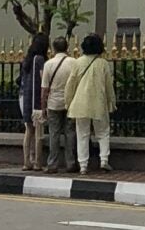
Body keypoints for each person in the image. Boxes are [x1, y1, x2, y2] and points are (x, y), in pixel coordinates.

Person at [66, 31, 115, 175]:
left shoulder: (78, 62)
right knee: (103, 132)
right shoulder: (103, 64)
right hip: (99, 102)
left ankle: (83, 165)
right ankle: (104, 160)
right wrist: (111, 101)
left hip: (80, 103)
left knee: (82, 134)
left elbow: (71, 84)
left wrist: (68, 102)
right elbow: (108, 85)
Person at [40, 33, 75, 173]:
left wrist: (43, 107)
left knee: (54, 134)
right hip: (70, 102)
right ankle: (71, 162)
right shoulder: (74, 62)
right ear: (67, 47)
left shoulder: (48, 64)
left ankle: (52, 164)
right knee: (70, 133)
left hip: (53, 103)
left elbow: (44, 89)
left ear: (53, 49)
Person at [18, 32, 49, 171]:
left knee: (28, 130)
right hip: (36, 99)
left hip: (25, 99)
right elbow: (42, 80)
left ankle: (26, 162)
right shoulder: (40, 59)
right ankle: (37, 162)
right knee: (38, 132)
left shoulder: (27, 60)